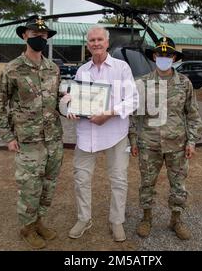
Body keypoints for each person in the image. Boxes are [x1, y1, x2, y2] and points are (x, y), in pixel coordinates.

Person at [0, 18, 64, 249]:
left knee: (48, 185)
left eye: (43, 36)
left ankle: (39, 221)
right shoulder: (12, 69)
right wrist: (7, 137)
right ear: (24, 36)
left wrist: (71, 101)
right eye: (35, 34)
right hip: (28, 141)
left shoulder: (53, 68)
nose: (39, 38)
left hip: (53, 139)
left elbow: (56, 98)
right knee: (30, 187)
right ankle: (27, 228)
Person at [63, 25, 138, 242]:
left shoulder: (121, 68)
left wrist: (110, 113)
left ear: (107, 42)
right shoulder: (82, 71)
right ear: (88, 45)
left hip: (115, 133)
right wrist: (71, 109)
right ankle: (84, 218)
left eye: (99, 39)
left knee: (118, 179)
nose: (96, 43)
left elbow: (133, 100)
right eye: (92, 40)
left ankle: (117, 221)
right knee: (82, 179)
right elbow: (72, 99)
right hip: (87, 135)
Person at [128, 37, 202, 240]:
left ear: (174, 58)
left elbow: (193, 114)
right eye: (160, 54)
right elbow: (134, 115)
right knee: (147, 183)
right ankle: (146, 218)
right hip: (149, 145)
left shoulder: (184, 83)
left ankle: (176, 220)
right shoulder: (142, 83)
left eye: (168, 54)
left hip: (177, 145)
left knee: (178, 185)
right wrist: (133, 141)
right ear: (154, 56)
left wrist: (192, 141)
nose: (163, 58)